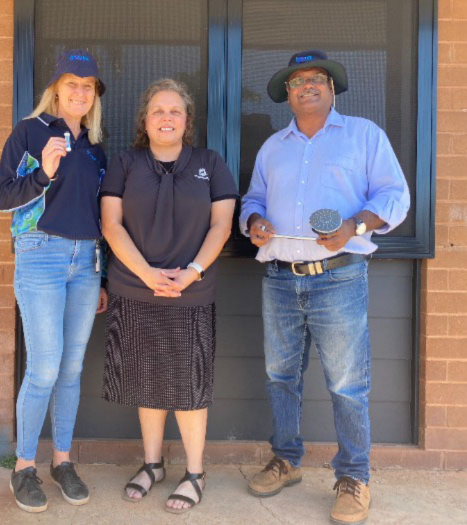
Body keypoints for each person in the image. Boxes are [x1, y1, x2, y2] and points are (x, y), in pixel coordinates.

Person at [239, 50, 410, 525]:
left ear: (332, 88)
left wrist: (355, 225)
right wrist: (254, 220)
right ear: (287, 95)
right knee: (279, 376)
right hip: (279, 279)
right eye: (298, 81)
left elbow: (395, 196)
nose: (307, 86)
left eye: (317, 79)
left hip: (339, 275)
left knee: (347, 384)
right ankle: (287, 460)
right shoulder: (273, 147)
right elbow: (252, 198)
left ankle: (354, 476)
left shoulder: (363, 136)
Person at [100, 78, 238, 514]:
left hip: (191, 293)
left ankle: (194, 473)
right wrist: (147, 274)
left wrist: (192, 272)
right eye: (158, 110)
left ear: (187, 120)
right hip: (135, 289)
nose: (166, 117)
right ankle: (153, 464)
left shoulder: (210, 163)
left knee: (189, 383)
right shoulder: (125, 163)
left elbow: (222, 225)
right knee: (146, 380)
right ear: (145, 119)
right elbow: (111, 225)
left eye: (175, 110)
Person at [0, 48, 109, 513]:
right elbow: (2, 197)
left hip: (87, 262)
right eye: (71, 83)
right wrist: (43, 173)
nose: (79, 91)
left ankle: (62, 461)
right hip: (40, 253)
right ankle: (24, 468)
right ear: (56, 89)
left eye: (88, 86)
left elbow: (102, 214)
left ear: (94, 94)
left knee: (71, 369)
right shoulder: (29, 132)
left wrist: (104, 277)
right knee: (44, 367)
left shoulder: (97, 148)